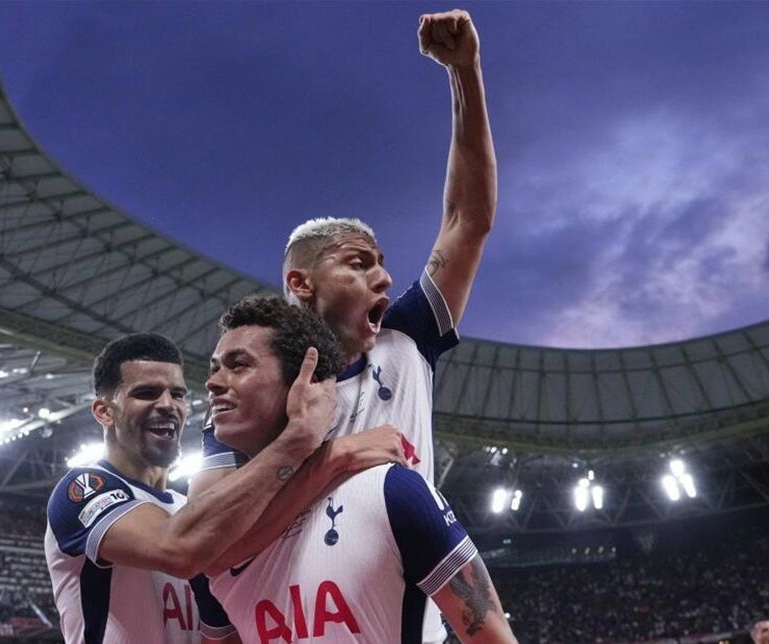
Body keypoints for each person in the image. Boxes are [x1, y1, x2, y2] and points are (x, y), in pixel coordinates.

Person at [191, 10, 497, 640]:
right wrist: (336, 456)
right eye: (358, 264)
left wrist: (465, 73)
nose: (384, 277)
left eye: (381, 263)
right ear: (301, 283)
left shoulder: (406, 338)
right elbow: (204, 543)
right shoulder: (254, 398)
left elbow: (466, 219)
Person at [44, 333, 402, 643]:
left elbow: (235, 557)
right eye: (146, 393)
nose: (168, 405)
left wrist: (332, 460)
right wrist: (301, 444)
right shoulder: (83, 489)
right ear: (104, 411)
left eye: (178, 394)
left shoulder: (190, 508)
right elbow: (178, 548)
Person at [197, 296, 516, 642]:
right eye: (214, 368)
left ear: (303, 382)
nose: (213, 382)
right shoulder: (205, 543)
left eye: (238, 365)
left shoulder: (391, 493)